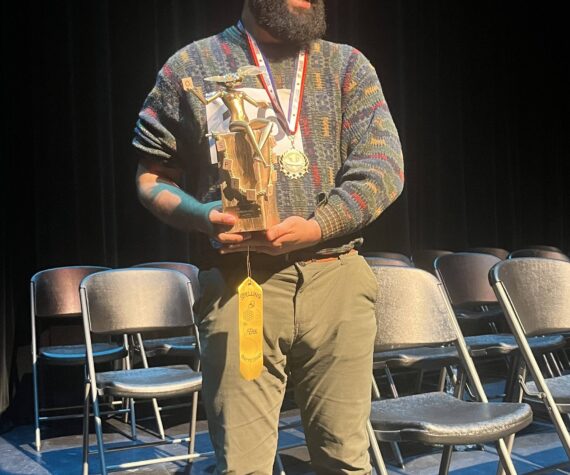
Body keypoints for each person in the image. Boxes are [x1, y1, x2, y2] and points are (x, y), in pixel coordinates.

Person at [133, 0, 404, 473]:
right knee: (243, 466)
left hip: (335, 278)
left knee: (346, 461)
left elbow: (383, 170)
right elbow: (151, 177)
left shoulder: (347, 66)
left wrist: (320, 226)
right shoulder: (191, 67)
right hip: (241, 286)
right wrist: (201, 215)